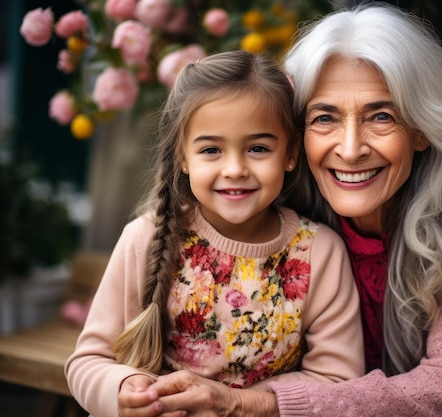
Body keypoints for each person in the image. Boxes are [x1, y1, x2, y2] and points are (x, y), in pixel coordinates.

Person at [133, 4, 442, 416]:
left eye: (381, 116)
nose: (349, 148)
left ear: (422, 128)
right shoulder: (279, 194)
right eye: (324, 118)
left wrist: (256, 405)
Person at [64, 50, 365, 417]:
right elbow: (88, 361)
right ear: (183, 157)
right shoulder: (145, 238)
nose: (235, 169)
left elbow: (339, 381)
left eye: (258, 148)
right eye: (211, 149)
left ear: (290, 153)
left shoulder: (320, 252)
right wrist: (124, 391)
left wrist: (250, 404)